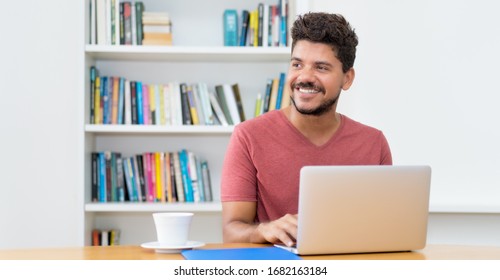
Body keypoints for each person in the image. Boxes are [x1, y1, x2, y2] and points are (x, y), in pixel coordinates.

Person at [220, 12, 392, 247]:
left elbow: (385, 228)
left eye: (321, 67)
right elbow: (232, 231)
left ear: (347, 78)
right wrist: (266, 229)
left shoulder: (374, 143)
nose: (305, 77)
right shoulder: (248, 136)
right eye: (297, 64)